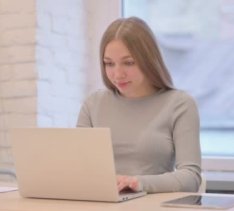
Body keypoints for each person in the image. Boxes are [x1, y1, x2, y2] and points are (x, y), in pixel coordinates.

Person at [76, 17, 202, 193]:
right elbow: (78, 168)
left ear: (148, 60)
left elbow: (190, 177)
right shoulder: (93, 104)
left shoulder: (180, 104)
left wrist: (137, 183)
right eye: (109, 63)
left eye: (128, 63)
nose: (118, 74)